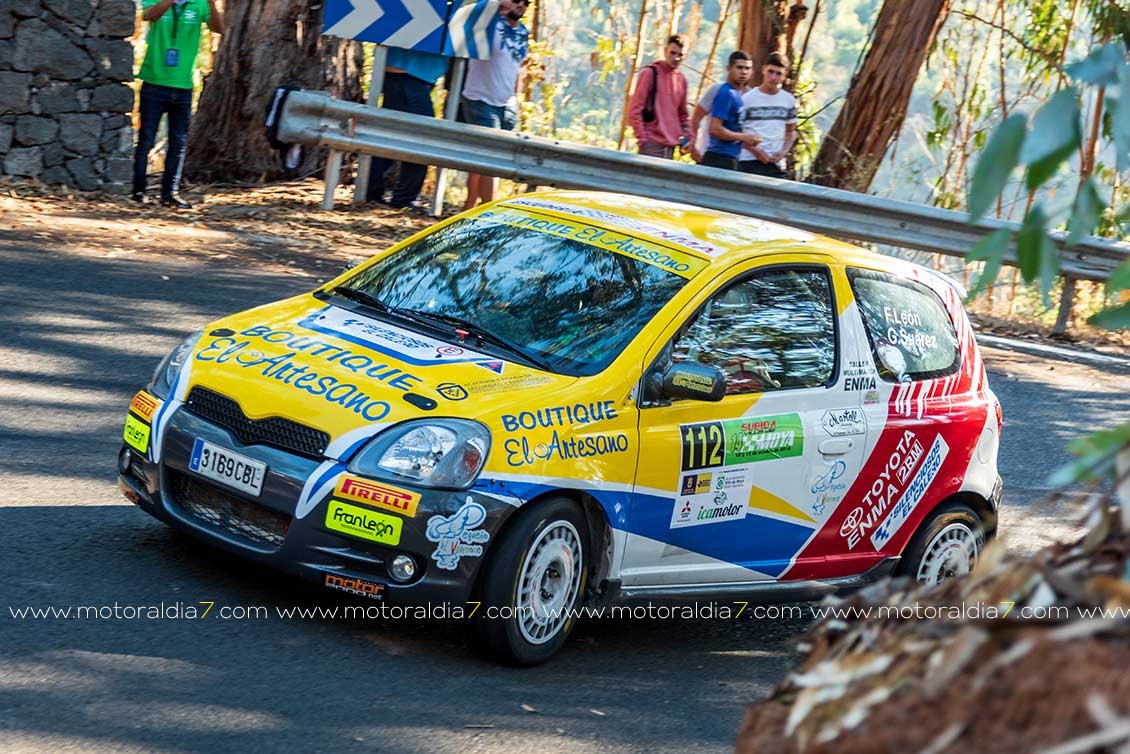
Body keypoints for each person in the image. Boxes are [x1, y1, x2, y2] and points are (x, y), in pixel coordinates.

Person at [132, 0, 223, 209]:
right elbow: (150, 15)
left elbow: (219, 28)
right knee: (146, 139)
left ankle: (170, 194)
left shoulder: (199, 4)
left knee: (178, 143)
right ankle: (138, 191)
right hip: (154, 82)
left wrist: (211, 3)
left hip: (183, 85)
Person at [460, 0, 529, 210]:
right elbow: (469, 12)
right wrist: (496, 6)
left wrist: (516, 99)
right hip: (480, 99)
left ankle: (469, 206)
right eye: (515, 0)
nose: (520, 5)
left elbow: (518, 68)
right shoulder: (488, 24)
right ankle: (488, 210)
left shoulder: (523, 32)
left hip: (507, 105)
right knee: (491, 160)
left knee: (485, 160)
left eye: (526, 2)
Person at [365, 48, 448, 210]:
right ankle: (401, 200)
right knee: (423, 140)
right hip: (408, 74)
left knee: (389, 138)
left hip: (409, 74)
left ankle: (372, 192)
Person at [627, 34, 692, 159]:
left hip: (670, 147)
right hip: (651, 144)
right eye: (673, 53)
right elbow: (635, 109)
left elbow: (683, 115)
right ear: (665, 50)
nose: (676, 58)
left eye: (680, 55)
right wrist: (643, 140)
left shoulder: (681, 80)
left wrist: (688, 137)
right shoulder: (650, 73)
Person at [738, 52, 798, 178]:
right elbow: (737, 132)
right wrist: (756, 151)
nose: (773, 77)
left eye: (778, 73)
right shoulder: (747, 99)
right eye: (770, 72)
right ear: (763, 70)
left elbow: (791, 132)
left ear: (784, 75)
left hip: (775, 164)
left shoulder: (788, 100)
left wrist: (784, 151)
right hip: (748, 161)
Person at [702, 51, 759, 171]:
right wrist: (743, 137)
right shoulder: (726, 93)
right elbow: (715, 129)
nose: (743, 72)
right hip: (718, 157)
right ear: (729, 68)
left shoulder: (739, 94)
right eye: (739, 67)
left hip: (732, 157)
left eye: (747, 68)